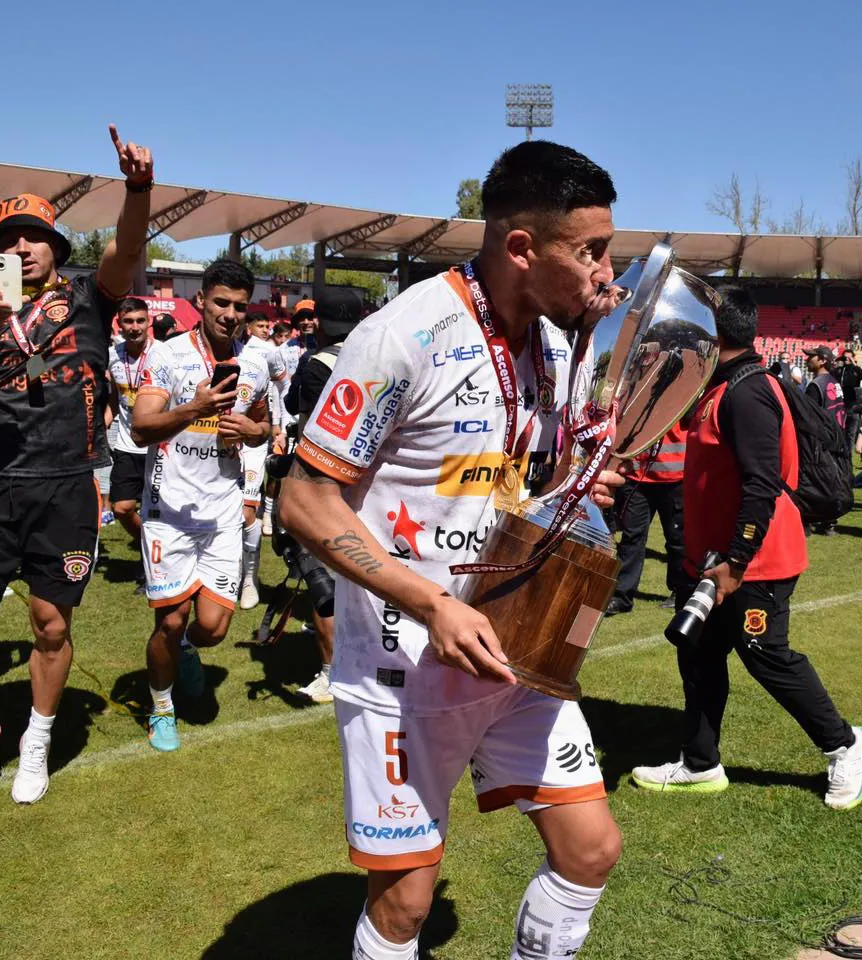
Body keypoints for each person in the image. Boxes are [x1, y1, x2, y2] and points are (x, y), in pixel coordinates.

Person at [279, 141, 627, 960]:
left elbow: (511, 475)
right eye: (590, 252)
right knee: (405, 907)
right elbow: (304, 497)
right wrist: (431, 603)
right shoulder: (404, 334)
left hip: (515, 653)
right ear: (520, 249)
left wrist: (574, 488)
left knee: (591, 850)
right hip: (406, 672)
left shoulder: (553, 343)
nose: (605, 274)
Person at [0, 125, 153, 804]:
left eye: (32, 237)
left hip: (65, 488)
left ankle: (36, 735)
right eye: (7, 240)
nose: (19, 248)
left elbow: (125, 249)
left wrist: (138, 190)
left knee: (51, 623)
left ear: (55, 249)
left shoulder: (92, 297)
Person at [630, 286, 862, 809]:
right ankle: (699, 762)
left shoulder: (748, 391)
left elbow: (762, 485)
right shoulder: (720, 385)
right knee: (698, 655)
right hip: (711, 560)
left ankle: (844, 745)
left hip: (753, 562)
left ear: (715, 334)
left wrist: (736, 562)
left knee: (765, 655)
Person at [130, 259, 272, 752]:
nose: (230, 314)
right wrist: (195, 407)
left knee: (210, 629)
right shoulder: (166, 356)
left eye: (239, 306)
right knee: (170, 619)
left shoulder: (255, 362)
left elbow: (264, 425)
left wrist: (255, 432)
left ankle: (188, 652)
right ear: (201, 302)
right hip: (168, 512)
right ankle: (161, 707)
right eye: (221, 303)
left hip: (223, 514)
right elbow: (141, 427)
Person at [279, 289, 363, 704]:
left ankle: (332, 673)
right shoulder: (374, 355)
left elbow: (311, 426)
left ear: (321, 322)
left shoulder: (319, 363)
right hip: (369, 481)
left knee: (320, 578)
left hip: (326, 479)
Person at [606, 423, 687, 616]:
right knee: (631, 538)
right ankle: (621, 596)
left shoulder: (683, 393)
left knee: (677, 540)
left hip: (676, 477)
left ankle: (680, 592)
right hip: (638, 477)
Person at [237, 313, 290, 606]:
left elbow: (284, 388)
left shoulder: (267, 352)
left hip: (253, 443)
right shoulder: (206, 352)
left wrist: (277, 426)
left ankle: (250, 578)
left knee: (246, 513)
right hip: (212, 447)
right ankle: (232, 569)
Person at [107, 297, 153, 582]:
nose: (135, 327)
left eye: (140, 321)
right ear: (119, 324)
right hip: (126, 443)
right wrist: (102, 425)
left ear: (148, 321)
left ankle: (151, 562)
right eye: (128, 321)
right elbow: (114, 398)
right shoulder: (113, 355)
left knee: (155, 510)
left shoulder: (164, 353)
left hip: (159, 445)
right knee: (122, 508)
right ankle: (146, 544)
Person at [802, 345, 846, 535]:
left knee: (816, 481)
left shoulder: (816, 384)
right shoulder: (833, 381)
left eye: (811, 356)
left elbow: (808, 417)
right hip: (837, 438)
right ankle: (830, 522)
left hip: (821, 441)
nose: (806, 359)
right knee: (833, 480)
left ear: (821, 360)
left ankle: (813, 519)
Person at [836, 348, 862, 461]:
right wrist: (838, 362)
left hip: (853, 404)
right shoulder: (840, 370)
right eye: (845, 357)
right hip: (840, 404)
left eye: (849, 357)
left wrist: (855, 364)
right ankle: (840, 454)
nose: (847, 360)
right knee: (840, 431)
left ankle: (848, 457)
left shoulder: (855, 370)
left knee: (851, 433)